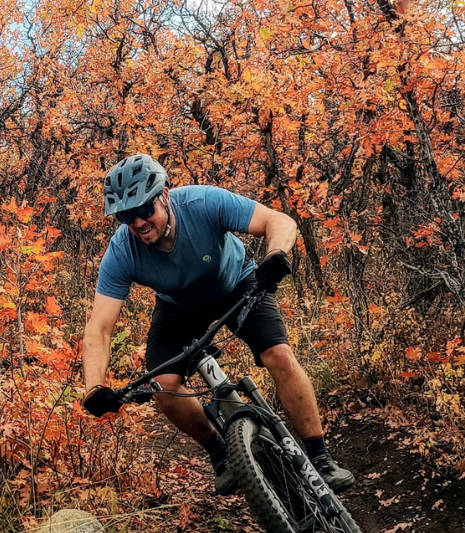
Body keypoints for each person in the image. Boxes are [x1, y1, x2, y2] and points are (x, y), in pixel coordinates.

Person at [80, 153, 353, 494]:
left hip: (237, 283)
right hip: (180, 307)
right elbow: (99, 328)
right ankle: (221, 453)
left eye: (145, 210)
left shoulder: (202, 202)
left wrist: (275, 256)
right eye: (126, 216)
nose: (137, 223)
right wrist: (94, 388)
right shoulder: (122, 250)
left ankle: (320, 459)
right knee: (164, 384)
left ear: (165, 195)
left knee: (279, 355)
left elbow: (278, 221)